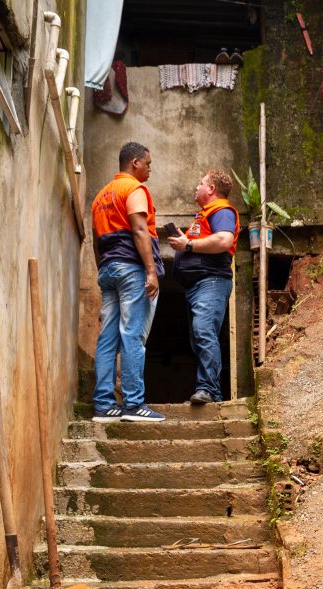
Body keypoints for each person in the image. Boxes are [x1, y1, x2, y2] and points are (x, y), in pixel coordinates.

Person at [89, 142, 166, 422]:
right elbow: (139, 228)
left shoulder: (100, 197)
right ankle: (134, 404)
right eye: (147, 163)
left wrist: (104, 270)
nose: (149, 168)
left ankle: (104, 405)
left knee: (107, 337)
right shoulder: (134, 190)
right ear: (134, 163)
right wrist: (150, 270)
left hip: (108, 270)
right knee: (132, 334)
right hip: (132, 269)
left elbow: (97, 240)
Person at [168, 170, 239, 404]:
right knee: (199, 336)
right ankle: (212, 392)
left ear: (211, 189)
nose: (196, 187)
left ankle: (207, 389)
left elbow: (224, 240)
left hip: (211, 282)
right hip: (199, 285)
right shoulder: (205, 215)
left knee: (203, 332)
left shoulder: (222, 211)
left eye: (201, 184)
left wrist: (187, 245)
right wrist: (186, 241)